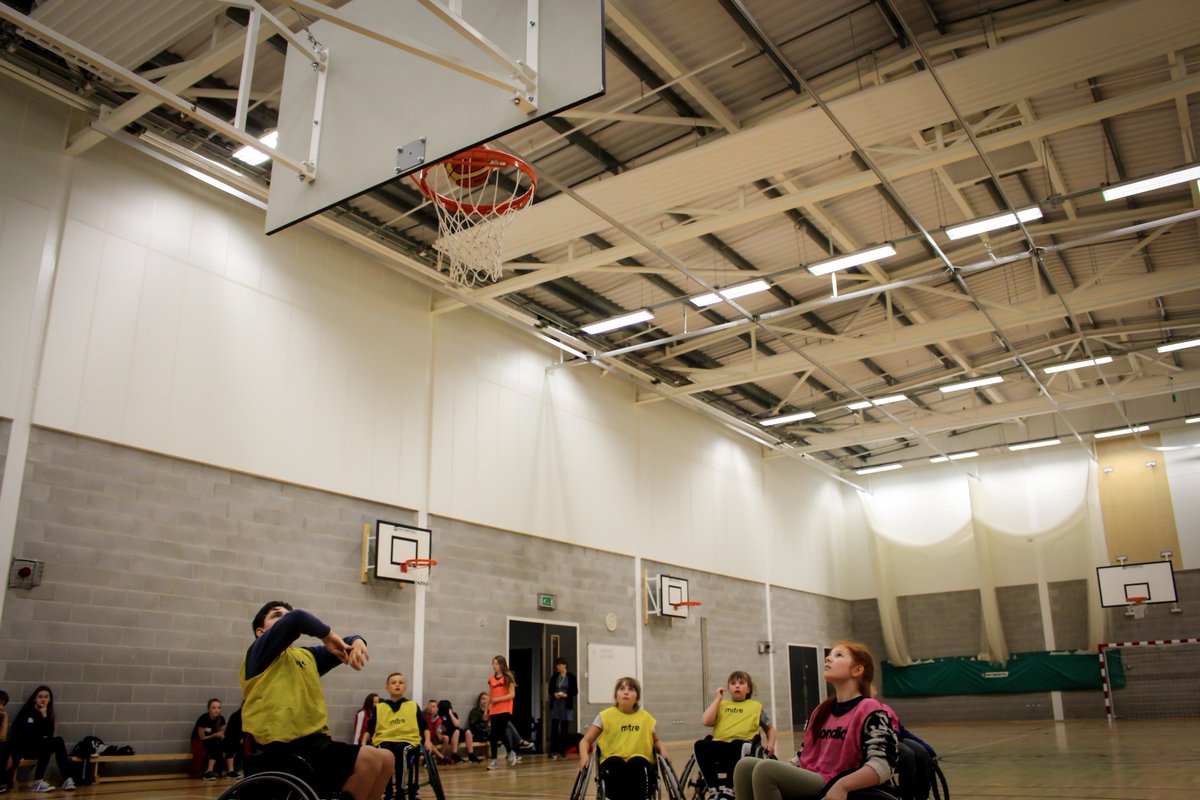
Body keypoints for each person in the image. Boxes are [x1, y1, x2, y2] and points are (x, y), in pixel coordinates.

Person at [240, 600, 393, 800]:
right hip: (282, 748)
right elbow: (298, 618)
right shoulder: (258, 653)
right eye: (277, 615)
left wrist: (357, 641)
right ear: (260, 632)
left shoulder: (306, 656)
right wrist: (328, 635)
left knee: (387, 758)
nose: (284, 617)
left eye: (286, 614)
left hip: (315, 743)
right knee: (370, 759)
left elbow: (346, 642)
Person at [732, 642, 898, 800]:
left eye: (838, 655)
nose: (828, 658)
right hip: (813, 775)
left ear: (857, 670)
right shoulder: (821, 710)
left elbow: (883, 764)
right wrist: (787, 768)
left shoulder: (870, 709)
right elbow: (804, 753)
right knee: (744, 766)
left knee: (765, 770)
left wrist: (843, 785)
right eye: (830, 654)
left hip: (837, 778)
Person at [579, 677, 669, 800]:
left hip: (640, 764)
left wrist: (663, 751)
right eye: (622, 689)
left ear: (637, 698)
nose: (626, 692)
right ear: (616, 696)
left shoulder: (646, 718)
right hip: (612, 764)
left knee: (637, 762)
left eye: (631, 689)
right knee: (615, 762)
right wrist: (584, 756)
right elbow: (585, 741)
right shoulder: (605, 716)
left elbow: (656, 741)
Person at [693, 670, 777, 799]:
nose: (737, 685)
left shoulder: (756, 706)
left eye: (741, 683)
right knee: (700, 745)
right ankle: (714, 791)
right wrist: (718, 698)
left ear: (748, 689)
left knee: (738, 744)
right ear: (728, 688)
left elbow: (770, 728)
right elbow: (706, 721)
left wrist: (770, 745)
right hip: (720, 746)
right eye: (733, 683)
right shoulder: (721, 705)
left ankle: (729, 790)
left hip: (742, 747)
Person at [369, 673, 431, 800]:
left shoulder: (412, 706)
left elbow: (424, 727)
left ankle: (400, 791)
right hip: (385, 739)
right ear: (387, 688)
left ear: (405, 687)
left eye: (400, 682)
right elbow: (369, 729)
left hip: (408, 740)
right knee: (384, 751)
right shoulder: (380, 707)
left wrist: (428, 741)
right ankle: (388, 790)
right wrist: (364, 743)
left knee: (401, 750)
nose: (397, 684)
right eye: (393, 682)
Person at [6, 686, 75, 792]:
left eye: (46, 697)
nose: (43, 699)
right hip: (23, 748)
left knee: (57, 741)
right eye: (40, 697)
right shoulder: (26, 713)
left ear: (50, 699)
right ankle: (38, 781)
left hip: (39, 747)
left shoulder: (47, 715)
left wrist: (44, 717)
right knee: (46, 743)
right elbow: (24, 734)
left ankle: (66, 779)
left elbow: (48, 735)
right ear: (35, 699)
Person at [486, 655, 518, 770]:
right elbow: (490, 695)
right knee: (493, 735)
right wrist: (486, 710)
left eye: (496, 664)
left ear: (501, 665)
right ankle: (495, 759)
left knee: (499, 732)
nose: (494, 666)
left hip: (504, 709)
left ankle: (510, 752)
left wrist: (498, 699)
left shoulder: (508, 677)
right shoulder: (491, 679)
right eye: (493, 664)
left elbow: (512, 694)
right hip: (494, 710)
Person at [193, 698, 238, 779]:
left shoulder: (220, 718)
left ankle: (230, 771)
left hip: (214, 739)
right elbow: (201, 737)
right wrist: (215, 735)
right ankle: (209, 771)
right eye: (213, 708)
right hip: (201, 741)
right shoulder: (204, 718)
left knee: (229, 743)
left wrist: (224, 738)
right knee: (215, 743)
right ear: (209, 709)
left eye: (218, 707)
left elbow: (219, 732)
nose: (216, 710)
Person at [547, 657, 578, 760]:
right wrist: (554, 694)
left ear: (565, 665)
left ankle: (563, 750)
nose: (557, 667)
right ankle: (552, 750)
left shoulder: (571, 677)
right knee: (554, 727)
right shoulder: (555, 676)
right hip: (556, 704)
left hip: (566, 704)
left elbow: (575, 691)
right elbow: (550, 689)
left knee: (564, 728)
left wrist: (566, 695)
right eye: (557, 665)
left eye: (559, 665)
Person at [463, 693, 490, 763]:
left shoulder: (491, 711)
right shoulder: (475, 711)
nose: (485, 701)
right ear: (479, 700)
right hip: (478, 734)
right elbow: (474, 726)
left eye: (486, 699)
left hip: (488, 733)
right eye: (483, 699)